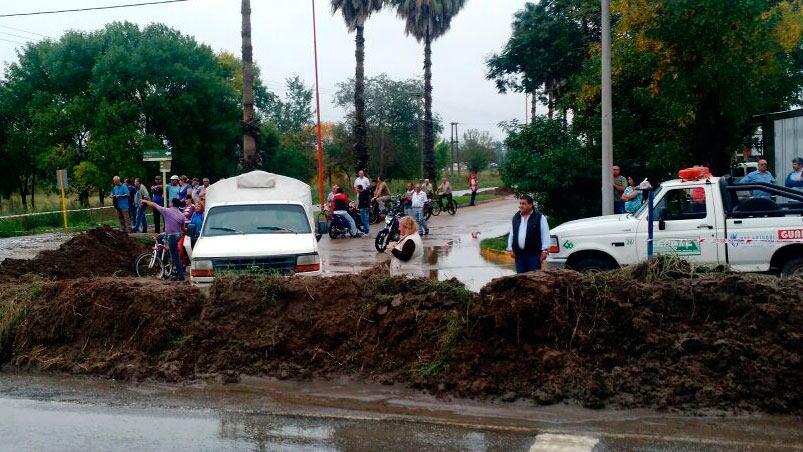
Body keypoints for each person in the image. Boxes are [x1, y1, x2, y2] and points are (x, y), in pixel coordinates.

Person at [141, 198, 186, 281]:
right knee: (162, 240)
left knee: (175, 255)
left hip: (172, 236)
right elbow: (183, 229)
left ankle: (180, 275)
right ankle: (167, 263)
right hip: (178, 235)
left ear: (172, 203)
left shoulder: (167, 211)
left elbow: (154, 205)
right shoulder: (181, 215)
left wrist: (145, 201)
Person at [507, 194, 551, 274]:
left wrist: (545, 250)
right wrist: (510, 249)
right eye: (520, 203)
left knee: (534, 279)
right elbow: (512, 234)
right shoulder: (516, 217)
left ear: (530, 205)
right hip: (519, 256)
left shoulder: (539, 217)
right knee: (521, 279)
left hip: (534, 255)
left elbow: (545, 234)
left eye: (523, 204)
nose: (521, 206)